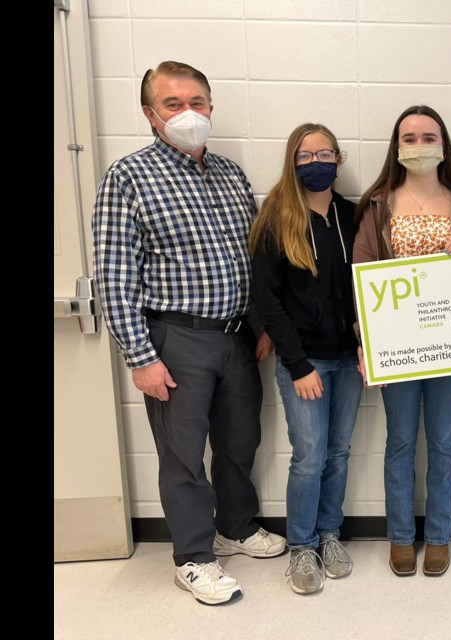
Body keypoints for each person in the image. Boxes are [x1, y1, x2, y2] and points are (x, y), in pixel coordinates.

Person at [92, 61, 284, 606]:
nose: (188, 113)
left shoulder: (229, 173)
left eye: (197, 101)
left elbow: (251, 257)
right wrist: (139, 356)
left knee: (240, 441)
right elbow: (114, 274)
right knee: (182, 455)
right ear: (151, 114)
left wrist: (261, 326)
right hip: (175, 340)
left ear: (211, 106)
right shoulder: (128, 177)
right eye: (173, 104)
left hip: (236, 337)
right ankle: (195, 557)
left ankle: (237, 528)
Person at [353, 105, 451, 577]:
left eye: (428, 136)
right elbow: (361, 278)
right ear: (397, 147)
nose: (419, 145)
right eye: (409, 137)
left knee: (443, 442)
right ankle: (399, 536)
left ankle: (438, 536)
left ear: (443, 145)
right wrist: (365, 341)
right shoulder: (378, 205)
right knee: (398, 442)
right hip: (396, 347)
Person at [249, 124, 363, 595]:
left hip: (350, 359)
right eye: (305, 154)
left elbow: (370, 288)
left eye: (325, 152)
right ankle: (301, 545)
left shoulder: (355, 217)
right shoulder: (277, 219)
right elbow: (267, 300)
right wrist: (297, 365)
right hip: (304, 363)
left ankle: (330, 535)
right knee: (310, 457)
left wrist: (371, 350)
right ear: (292, 162)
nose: (316, 161)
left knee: (338, 452)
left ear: (339, 158)